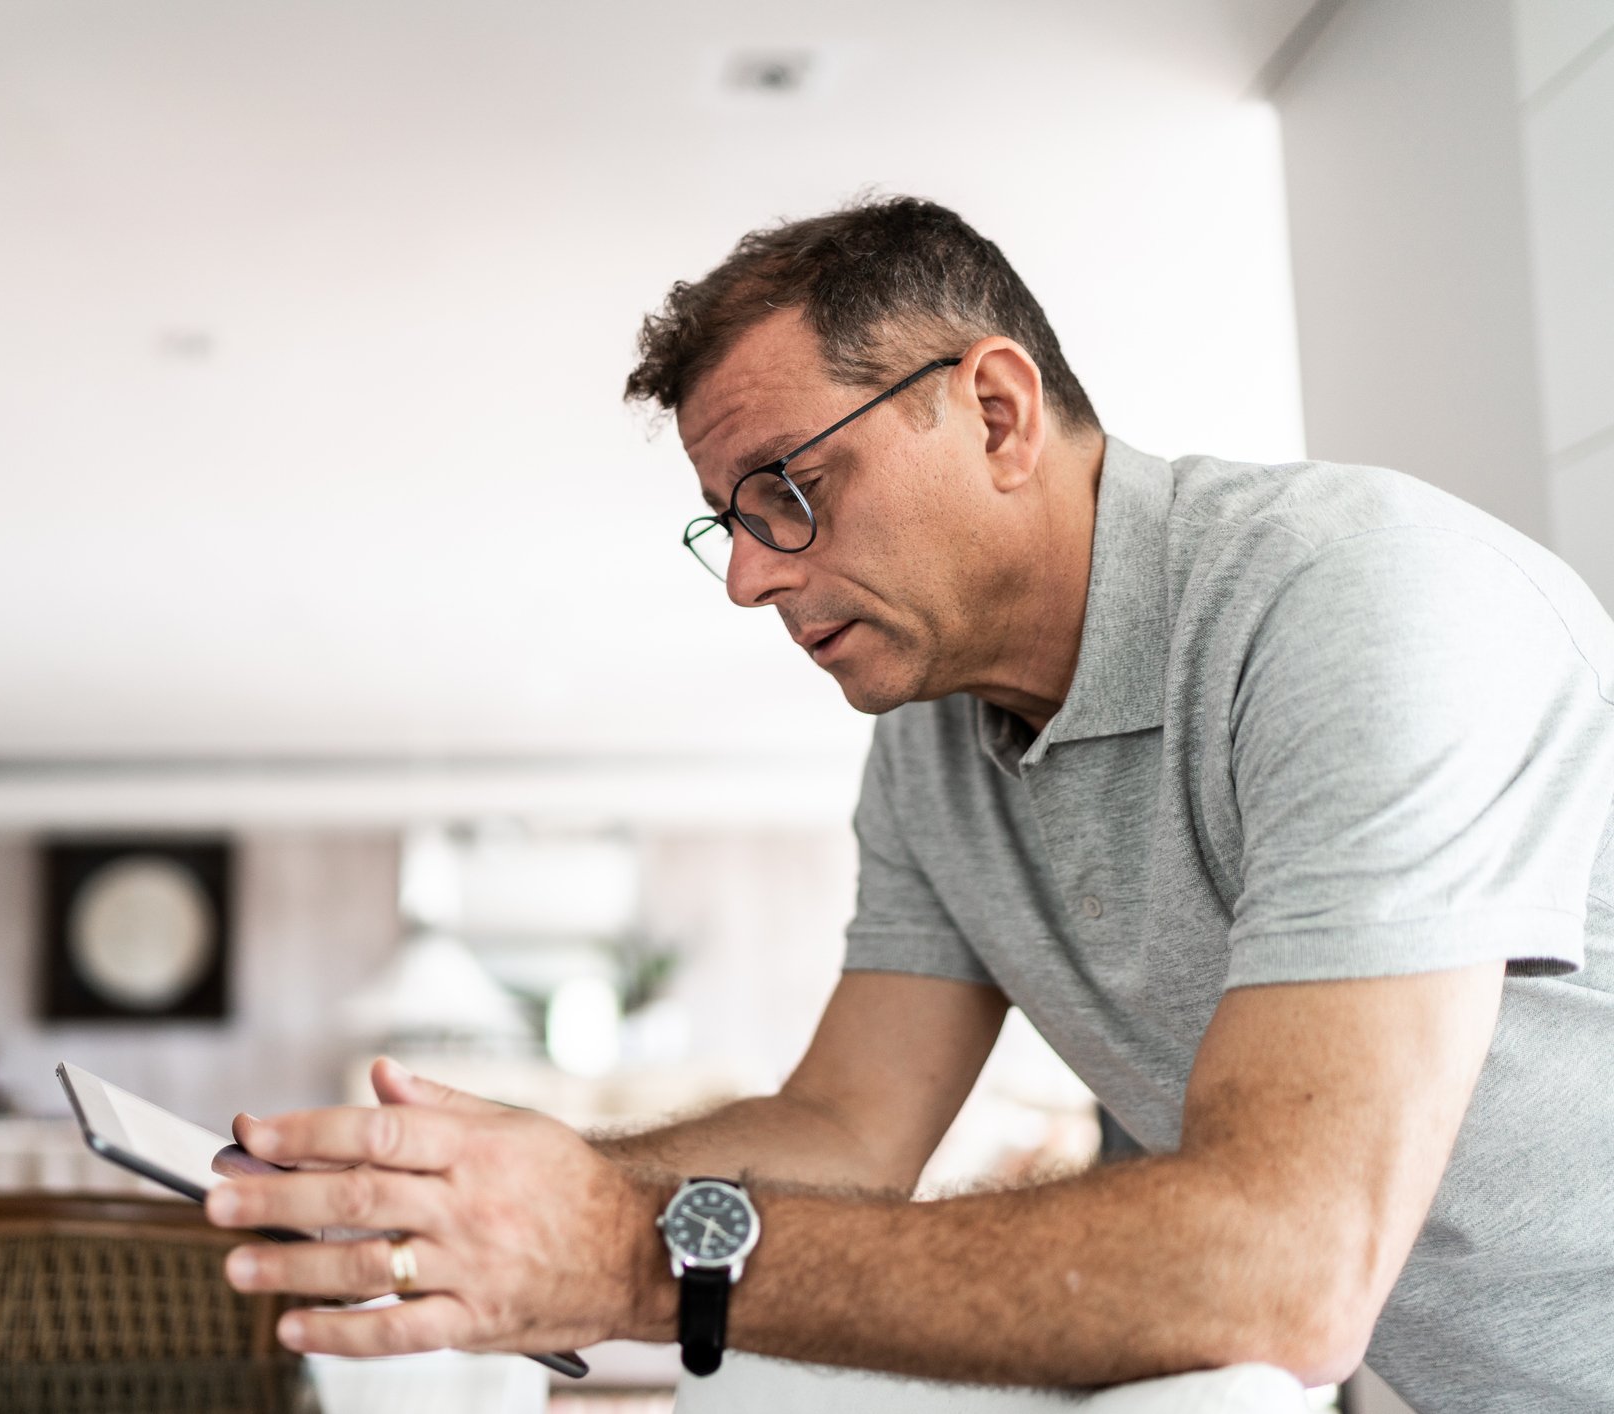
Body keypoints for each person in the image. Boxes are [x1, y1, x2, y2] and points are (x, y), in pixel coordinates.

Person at [203, 196, 1614, 1413]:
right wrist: (511, 1189)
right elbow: (847, 1125)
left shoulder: (1357, 604)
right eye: (732, 521)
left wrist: (629, 1254)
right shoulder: (933, 750)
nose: (751, 578)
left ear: (996, 410)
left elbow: (1283, 1260)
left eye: (791, 490)